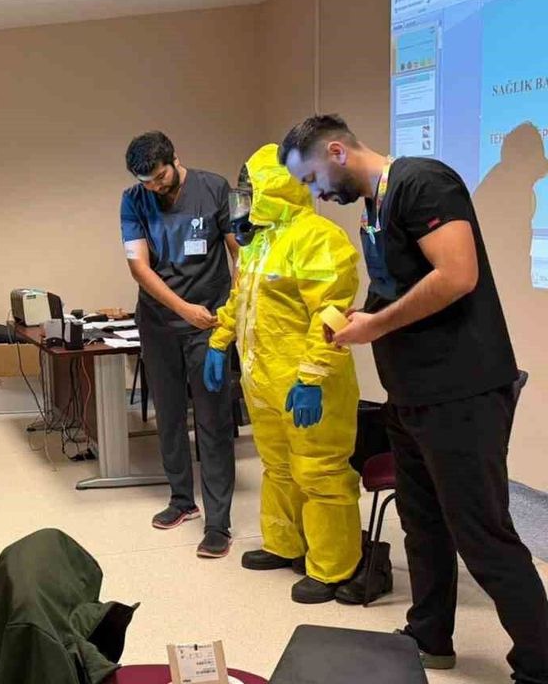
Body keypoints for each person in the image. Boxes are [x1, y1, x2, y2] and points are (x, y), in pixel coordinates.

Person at [281, 114, 548, 678]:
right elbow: (398, 286)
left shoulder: (423, 182)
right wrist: (361, 316)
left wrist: (374, 326)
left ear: (337, 151)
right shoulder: (374, 206)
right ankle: (429, 636)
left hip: (461, 393)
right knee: (421, 524)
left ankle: (540, 661)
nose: (315, 193)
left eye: (311, 178)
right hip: (410, 392)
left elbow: (456, 276)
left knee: (481, 534)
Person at [202, 144, 364, 604]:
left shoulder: (319, 237)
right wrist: (219, 341)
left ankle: (333, 566)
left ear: (275, 187)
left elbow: (331, 315)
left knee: (320, 472)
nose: (245, 199)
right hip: (264, 381)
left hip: (308, 383)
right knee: (277, 468)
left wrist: (312, 376)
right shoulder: (260, 241)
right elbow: (241, 300)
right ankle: (285, 543)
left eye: (251, 189)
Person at [119, 131, 238, 558]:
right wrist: (182, 309)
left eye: (159, 177)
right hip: (159, 322)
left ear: (175, 159)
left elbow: (239, 252)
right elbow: (139, 267)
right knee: (168, 415)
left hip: (208, 323)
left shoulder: (214, 188)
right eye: (146, 181)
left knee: (212, 419)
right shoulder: (133, 199)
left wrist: (234, 308)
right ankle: (182, 500)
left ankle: (218, 522)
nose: (154, 187)